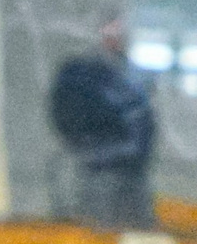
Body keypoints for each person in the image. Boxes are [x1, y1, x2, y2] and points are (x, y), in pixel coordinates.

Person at [50, 21, 158, 228]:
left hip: (134, 172)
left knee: (137, 232)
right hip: (100, 171)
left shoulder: (133, 76)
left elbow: (144, 126)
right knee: (99, 233)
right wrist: (89, 149)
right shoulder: (82, 75)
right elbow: (67, 116)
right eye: (110, 32)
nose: (115, 39)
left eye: (120, 33)